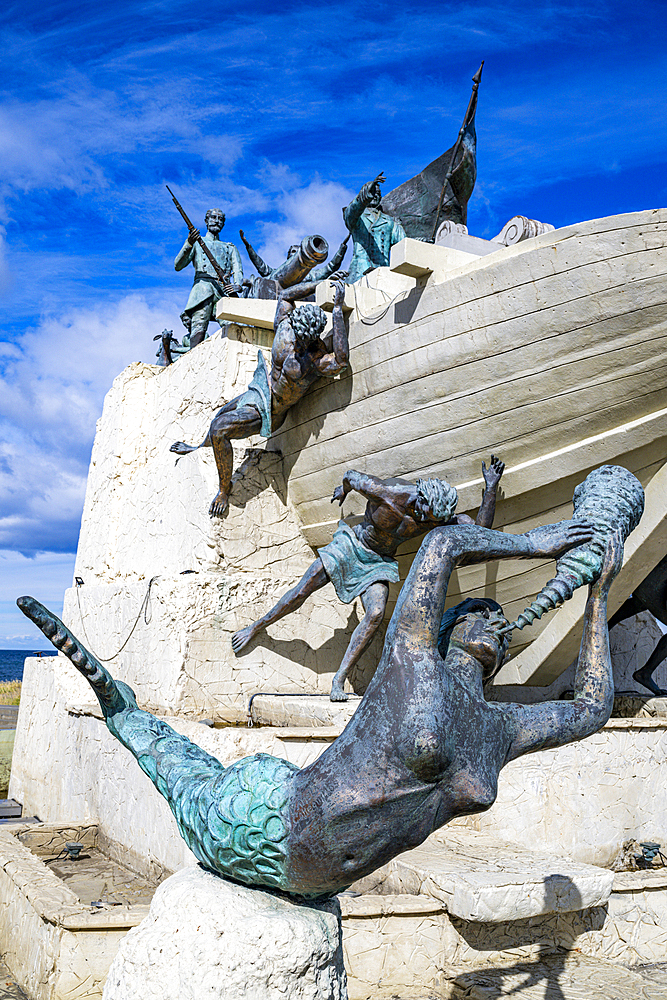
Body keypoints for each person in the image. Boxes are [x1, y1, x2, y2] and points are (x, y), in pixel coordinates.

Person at [19, 514, 617, 902]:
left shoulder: (500, 728)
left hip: (316, 868)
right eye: (478, 612)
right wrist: (537, 542)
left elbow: (592, 707)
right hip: (268, 822)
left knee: (188, 774)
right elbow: (443, 542)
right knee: (180, 773)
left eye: (500, 622)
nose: (496, 621)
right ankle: (115, 700)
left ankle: (120, 706)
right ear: (448, 628)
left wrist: (600, 594)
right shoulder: (411, 663)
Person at [232, 457, 505, 701]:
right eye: (425, 514)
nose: (426, 521)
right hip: (351, 546)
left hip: (378, 562)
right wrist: (344, 490)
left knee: (375, 614)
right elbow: (351, 475)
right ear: (421, 497)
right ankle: (256, 627)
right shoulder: (389, 494)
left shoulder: (435, 515)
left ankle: (339, 679)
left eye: (433, 519)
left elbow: (479, 534)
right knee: (304, 589)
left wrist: (490, 488)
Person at [170, 278, 349, 517]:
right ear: (294, 325)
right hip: (260, 388)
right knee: (219, 415)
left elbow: (341, 360)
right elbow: (285, 296)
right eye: (297, 334)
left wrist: (337, 311)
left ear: (312, 338)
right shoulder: (286, 328)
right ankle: (198, 446)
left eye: (304, 340)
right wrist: (321, 283)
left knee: (220, 429)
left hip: (271, 411)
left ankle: (225, 490)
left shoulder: (314, 360)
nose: (298, 342)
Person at [174, 208, 243, 349]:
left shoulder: (229, 247)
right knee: (198, 332)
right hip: (203, 289)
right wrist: (189, 242)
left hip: (224, 291)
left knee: (234, 329)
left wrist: (238, 285)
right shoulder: (197, 243)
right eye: (213, 217)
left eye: (220, 219)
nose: (217, 221)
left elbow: (238, 270)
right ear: (206, 221)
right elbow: (178, 265)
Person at [239, 231, 350, 297]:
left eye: (297, 252)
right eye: (293, 252)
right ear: (288, 256)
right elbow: (261, 266)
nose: (295, 254)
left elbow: (331, 268)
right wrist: (248, 247)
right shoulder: (276, 274)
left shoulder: (310, 276)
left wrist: (342, 248)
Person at [343, 172, 406, 283]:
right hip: (360, 273)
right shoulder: (357, 217)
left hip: (383, 274)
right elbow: (352, 210)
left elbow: (404, 242)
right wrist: (368, 190)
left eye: (378, 193)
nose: (375, 195)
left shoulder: (389, 221)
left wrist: (423, 242)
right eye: (372, 193)